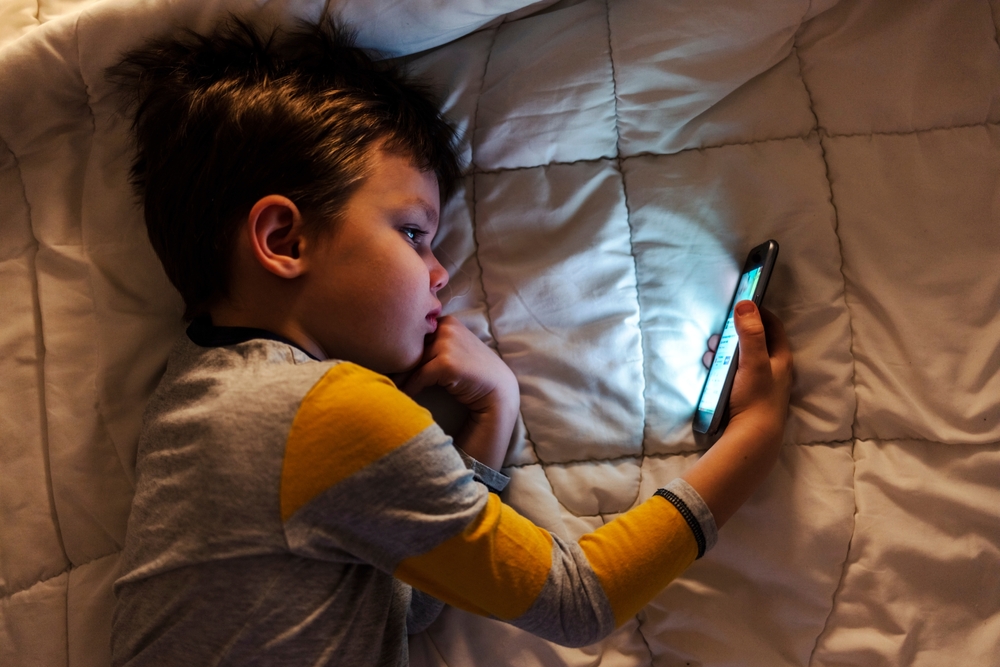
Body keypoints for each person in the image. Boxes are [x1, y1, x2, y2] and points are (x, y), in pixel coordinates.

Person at [107, 14, 793, 667]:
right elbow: (580, 600)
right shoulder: (322, 411)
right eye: (412, 233)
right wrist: (757, 433)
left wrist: (495, 411)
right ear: (285, 239)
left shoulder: (194, 396)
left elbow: (399, 609)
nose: (440, 274)